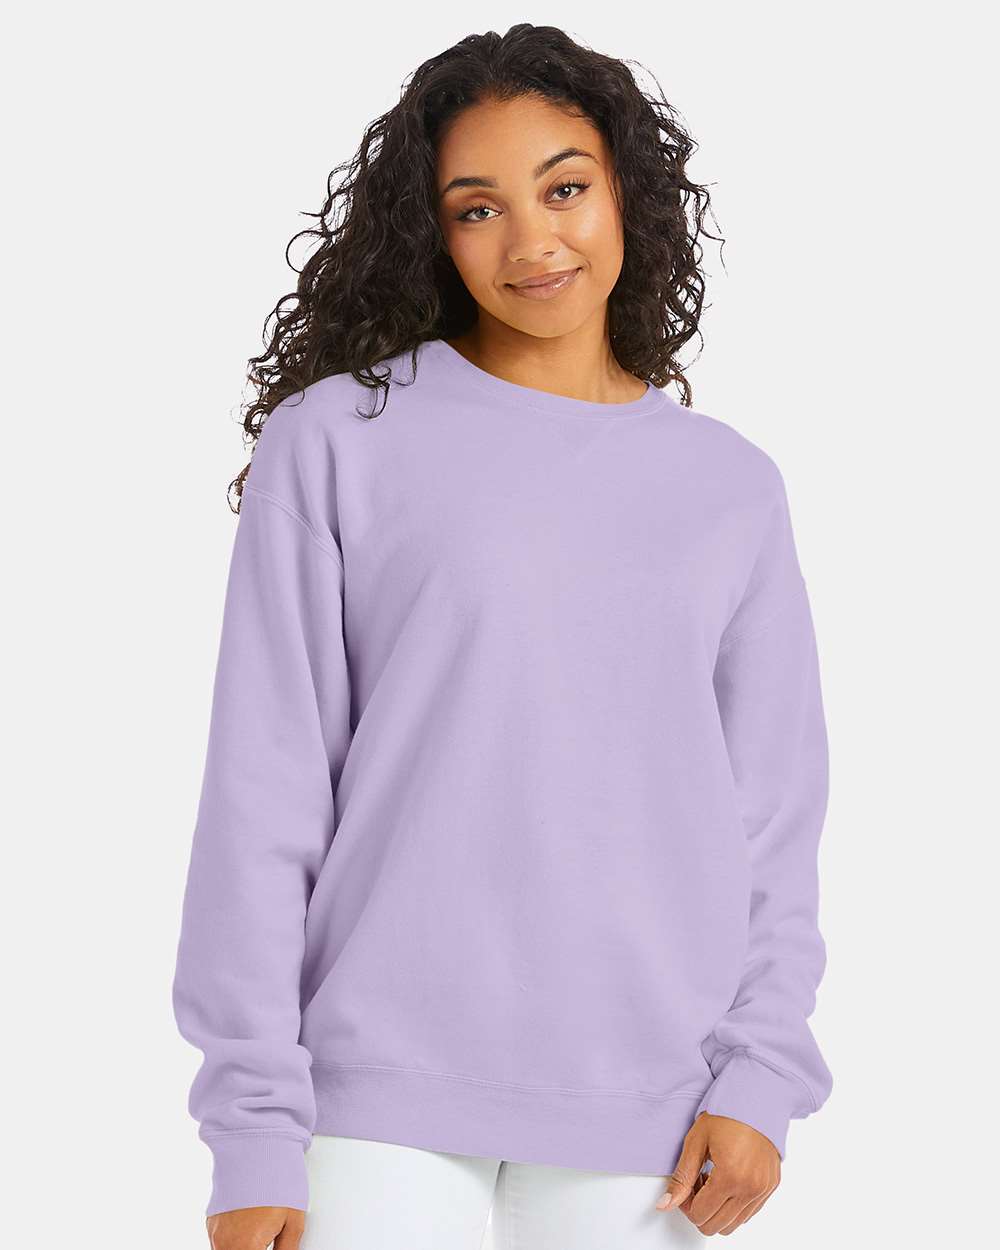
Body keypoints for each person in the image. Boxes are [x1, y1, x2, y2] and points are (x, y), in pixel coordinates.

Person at [171, 22, 833, 1249]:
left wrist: (762, 1071)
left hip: (654, 1108)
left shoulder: (729, 486)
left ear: (626, 191)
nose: (531, 240)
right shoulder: (337, 441)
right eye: (477, 208)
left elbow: (772, 821)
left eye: (564, 188)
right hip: (372, 1097)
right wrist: (252, 1123)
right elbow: (264, 794)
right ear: (433, 233)